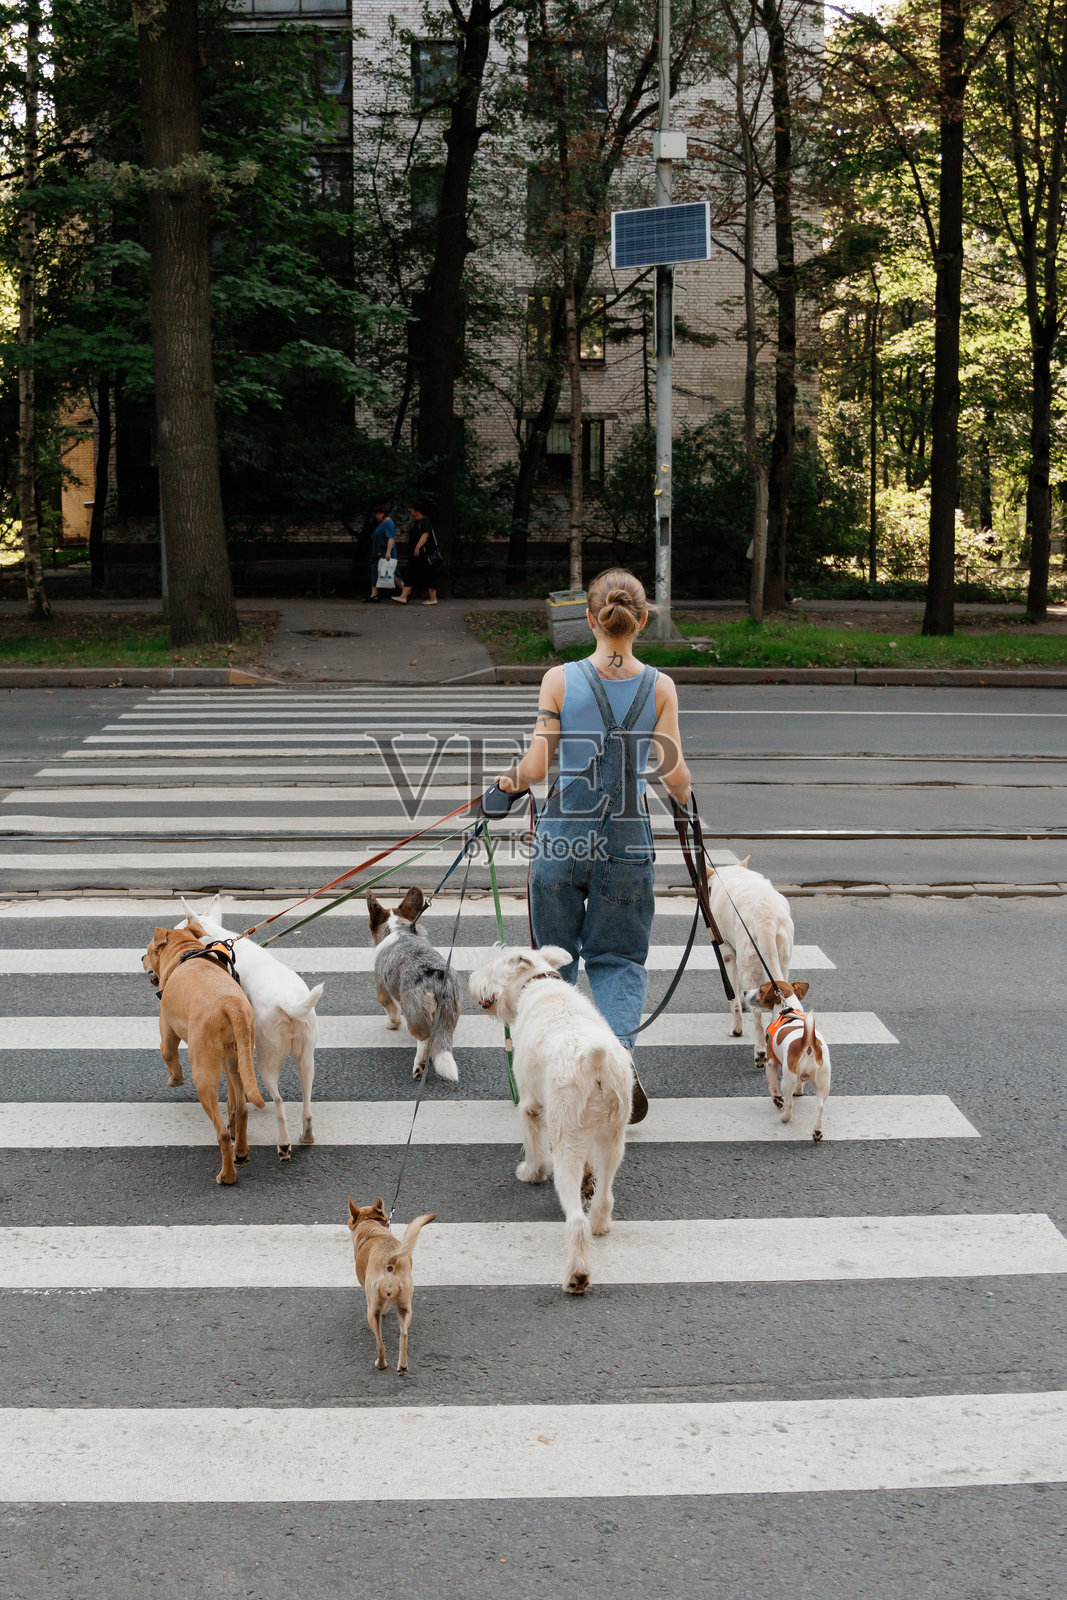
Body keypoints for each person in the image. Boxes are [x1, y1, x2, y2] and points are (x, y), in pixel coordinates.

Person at [497, 568, 692, 1122]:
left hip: (561, 840)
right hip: (627, 844)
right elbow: (673, 775)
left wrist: (502, 786)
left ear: (589, 618)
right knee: (619, 960)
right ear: (642, 621)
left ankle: (558, 1073)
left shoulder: (558, 680)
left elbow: (535, 767)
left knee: (554, 966)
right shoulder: (659, 687)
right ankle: (617, 1068)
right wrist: (688, 802)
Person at [392, 504, 440, 605]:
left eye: (412, 509)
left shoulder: (425, 521)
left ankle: (433, 598)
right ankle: (403, 596)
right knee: (411, 573)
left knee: (429, 574)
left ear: (418, 511)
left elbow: (425, 534)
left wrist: (418, 547)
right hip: (416, 555)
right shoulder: (416, 522)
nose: (410, 511)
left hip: (425, 554)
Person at [367, 505, 396, 602]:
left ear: (382, 513)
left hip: (384, 552)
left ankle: (405, 591)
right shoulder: (382, 523)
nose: (376, 516)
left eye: (377, 514)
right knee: (375, 570)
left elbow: (390, 538)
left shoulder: (388, 523)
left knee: (393, 572)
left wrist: (388, 552)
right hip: (378, 552)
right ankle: (374, 594)